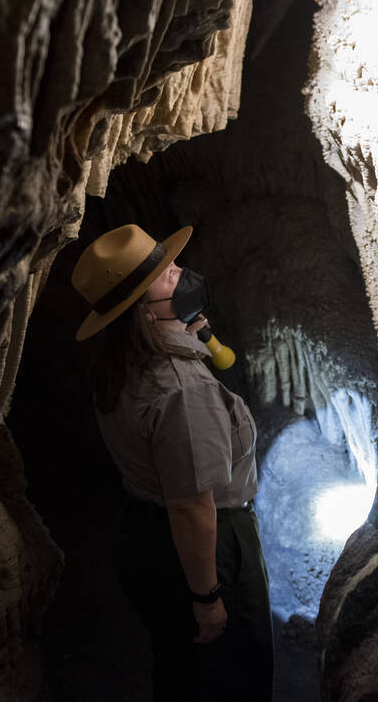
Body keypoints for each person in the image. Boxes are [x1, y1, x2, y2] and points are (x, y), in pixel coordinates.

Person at [70, 223, 273, 702]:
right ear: (143, 310)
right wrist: (207, 598)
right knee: (229, 677)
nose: (180, 272)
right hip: (203, 546)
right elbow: (191, 506)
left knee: (181, 671)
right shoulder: (180, 388)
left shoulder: (120, 363)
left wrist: (189, 334)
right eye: (165, 276)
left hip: (144, 531)